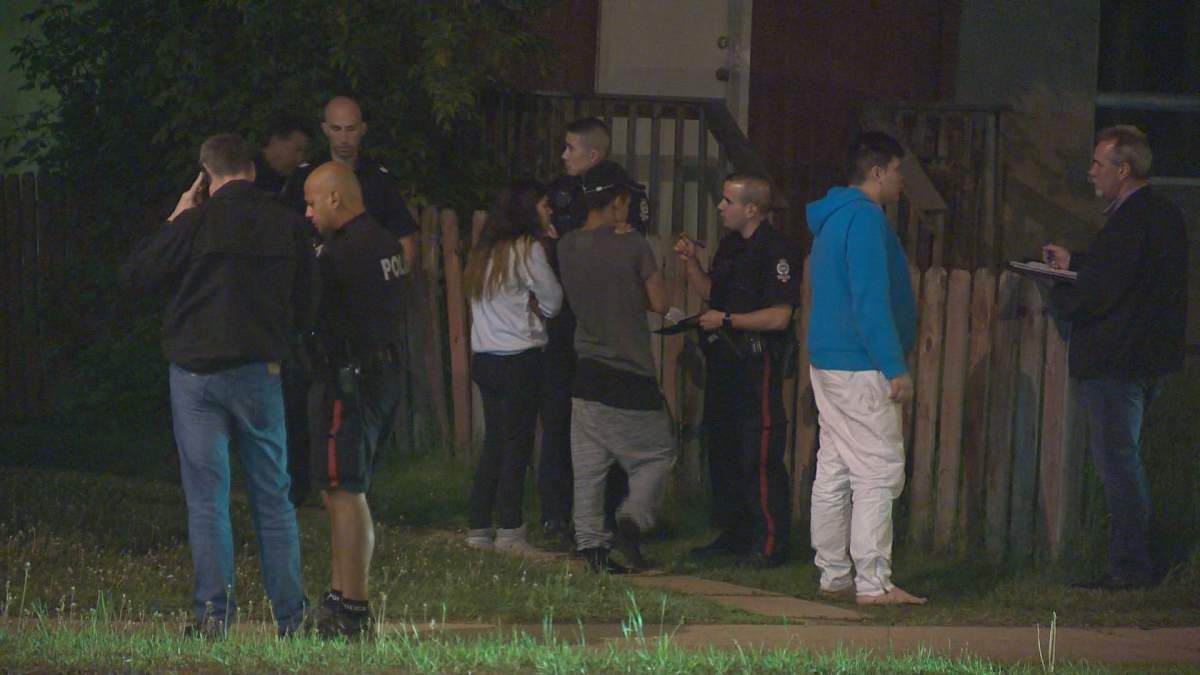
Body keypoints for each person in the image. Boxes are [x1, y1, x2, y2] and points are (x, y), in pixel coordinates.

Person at [119, 134, 316, 637]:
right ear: (251, 168)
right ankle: (291, 620)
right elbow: (309, 302)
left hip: (196, 376)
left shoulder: (195, 223)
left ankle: (212, 620)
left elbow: (137, 277)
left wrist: (177, 216)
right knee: (274, 497)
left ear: (205, 175)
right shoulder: (286, 224)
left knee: (208, 500)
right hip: (259, 373)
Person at [1042, 125, 1187, 590]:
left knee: (1118, 465)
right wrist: (1078, 263)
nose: (1091, 174)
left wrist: (1055, 290)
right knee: (1126, 460)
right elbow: (1126, 274)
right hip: (1148, 360)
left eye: (1098, 165)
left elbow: (1104, 291)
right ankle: (1133, 562)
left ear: (1123, 170)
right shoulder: (1164, 215)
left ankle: (1130, 568)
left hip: (1115, 363)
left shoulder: (1128, 220)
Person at [804, 131, 925, 605]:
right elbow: (871, 300)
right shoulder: (867, 221)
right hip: (860, 363)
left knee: (835, 463)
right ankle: (873, 583)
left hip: (829, 359)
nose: (901, 181)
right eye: (898, 171)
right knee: (877, 469)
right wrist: (894, 365)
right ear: (877, 172)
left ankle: (833, 572)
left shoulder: (833, 219)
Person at [674, 173, 801, 568]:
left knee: (757, 452)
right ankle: (733, 533)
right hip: (723, 361)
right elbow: (713, 293)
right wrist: (691, 264)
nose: (720, 207)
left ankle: (768, 543)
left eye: (727, 201)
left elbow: (780, 317)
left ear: (752, 208)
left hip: (756, 362)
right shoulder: (730, 246)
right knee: (724, 450)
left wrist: (727, 320)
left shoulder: (778, 250)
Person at [303, 162, 408, 638]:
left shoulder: (341, 254)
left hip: (350, 381)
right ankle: (341, 593)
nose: (306, 212)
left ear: (334, 199)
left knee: (345, 490)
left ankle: (353, 608)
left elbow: (313, 312)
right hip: (380, 374)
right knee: (344, 488)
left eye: (310, 202)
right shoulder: (385, 242)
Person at [556, 160, 675, 573]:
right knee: (658, 454)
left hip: (586, 372)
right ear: (618, 202)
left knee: (589, 466)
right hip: (629, 373)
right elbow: (659, 303)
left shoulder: (566, 246)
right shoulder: (633, 246)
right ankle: (632, 518)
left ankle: (591, 546)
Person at [543, 117, 649, 542]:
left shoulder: (627, 196)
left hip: (609, 327)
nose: (564, 156)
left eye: (571, 148)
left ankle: (614, 514)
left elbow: (625, 245)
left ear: (594, 155)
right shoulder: (557, 193)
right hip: (564, 321)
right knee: (558, 420)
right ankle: (557, 512)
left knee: (614, 423)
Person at [463, 179, 563, 552]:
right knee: (517, 444)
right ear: (527, 210)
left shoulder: (485, 252)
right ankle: (510, 530)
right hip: (520, 357)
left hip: (485, 357)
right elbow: (553, 301)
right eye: (543, 205)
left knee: (494, 441)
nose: (549, 210)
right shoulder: (528, 249)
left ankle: (479, 527)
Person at [255, 116, 319, 507]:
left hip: (287, 311)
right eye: (295, 148)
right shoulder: (251, 183)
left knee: (293, 403)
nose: (300, 158)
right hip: (263, 311)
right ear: (274, 142)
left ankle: (296, 485)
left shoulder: (294, 184)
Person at [286, 96, 419, 270]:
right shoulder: (304, 176)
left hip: (369, 274)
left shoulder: (378, 179)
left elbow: (404, 237)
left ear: (363, 128)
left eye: (350, 129)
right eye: (336, 129)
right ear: (325, 129)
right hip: (316, 277)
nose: (344, 138)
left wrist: (396, 282)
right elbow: (286, 232)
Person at [255, 116, 313, 198]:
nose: (300, 159)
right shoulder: (249, 175)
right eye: (297, 150)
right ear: (276, 140)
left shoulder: (293, 181)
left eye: (304, 153)